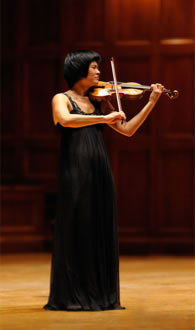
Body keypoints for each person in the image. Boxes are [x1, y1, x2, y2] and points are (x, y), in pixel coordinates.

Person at [43, 50, 163, 311]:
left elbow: (128, 130)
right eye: (94, 67)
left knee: (99, 227)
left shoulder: (101, 101)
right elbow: (65, 120)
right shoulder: (61, 99)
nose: (99, 72)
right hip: (75, 172)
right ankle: (72, 295)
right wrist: (103, 119)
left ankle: (100, 294)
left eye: (99, 67)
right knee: (77, 227)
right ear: (79, 70)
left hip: (99, 169)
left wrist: (151, 101)